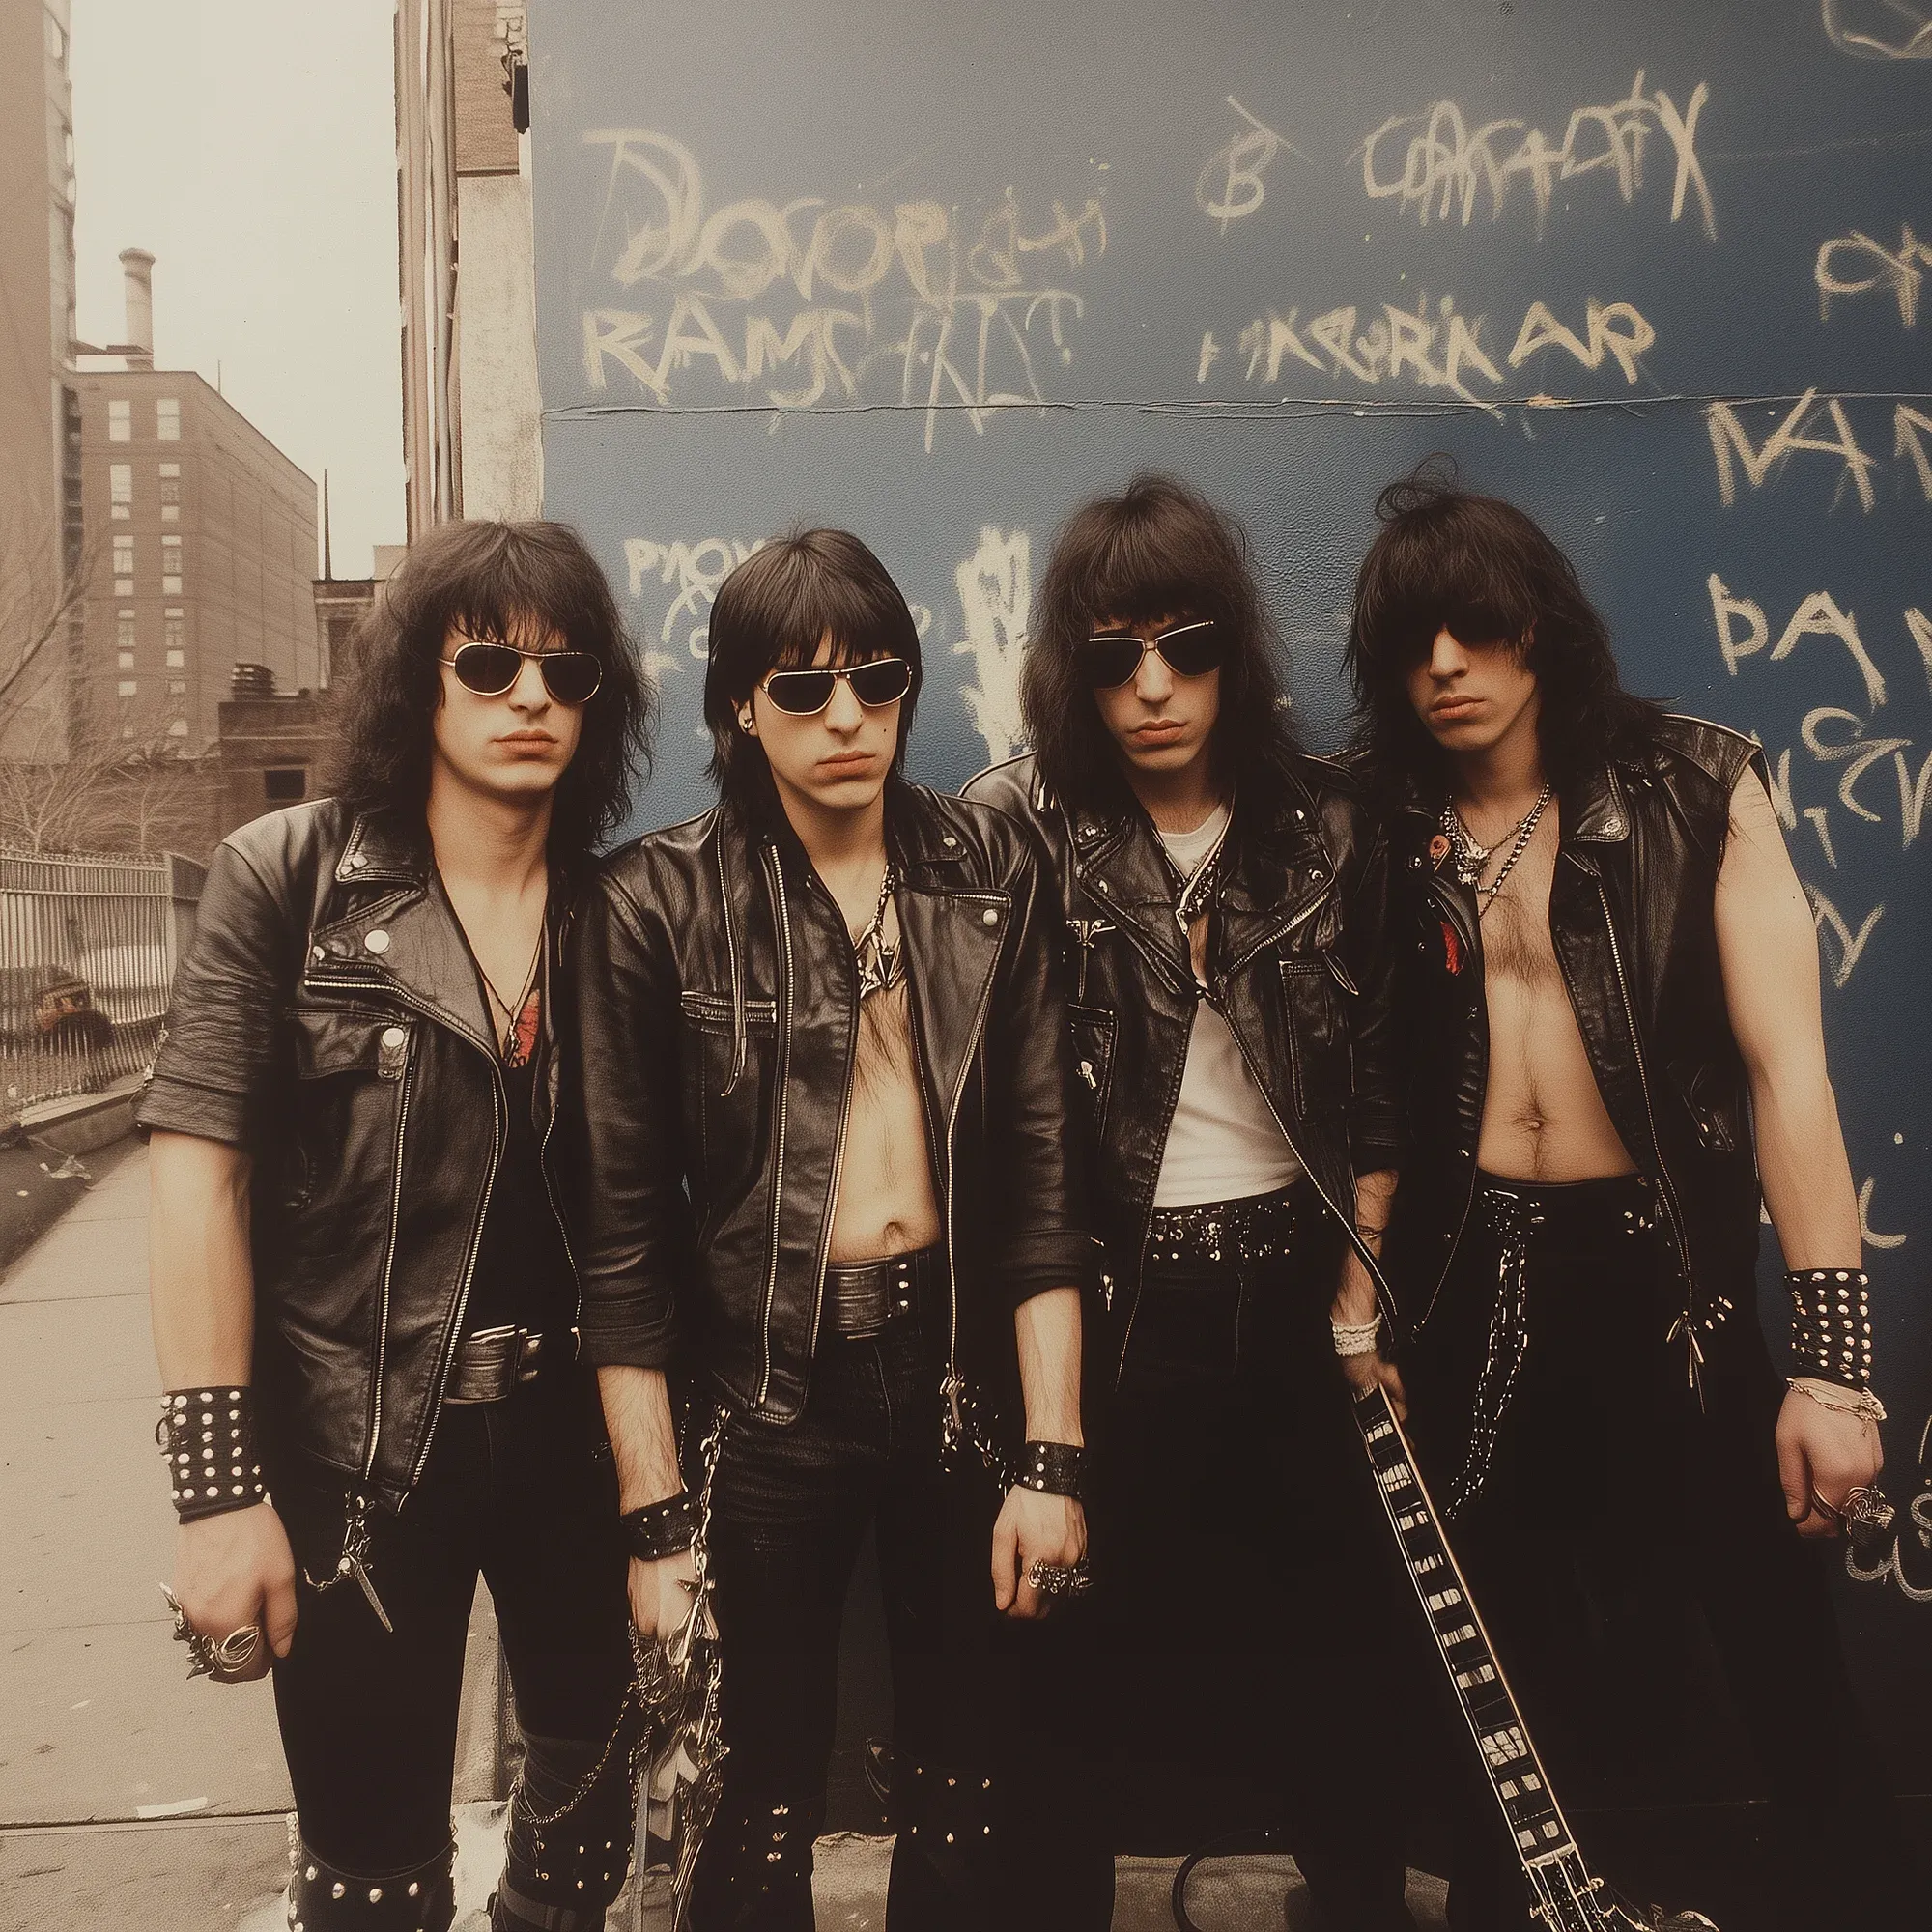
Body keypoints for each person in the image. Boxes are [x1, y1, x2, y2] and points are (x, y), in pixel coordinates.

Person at [1347, 461, 1911, 1930]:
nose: (1445, 670)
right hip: (1475, 1288)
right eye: (1413, 647)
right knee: (1499, 1691)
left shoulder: (1697, 787)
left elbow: (1794, 1080)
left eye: (1473, 632)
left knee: (1779, 1656)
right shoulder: (1378, 829)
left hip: (1673, 1288)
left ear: (1540, 628)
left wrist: (1840, 1372)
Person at [568, 527, 1091, 1930]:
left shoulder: (992, 866)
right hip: (760, 1401)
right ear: (739, 706)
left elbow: (1044, 1185)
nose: (846, 717)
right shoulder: (650, 904)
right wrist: (657, 1521)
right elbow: (617, 1243)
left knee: (971, 1780)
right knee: (759, 1797)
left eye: (877, 680)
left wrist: (1051, 1456)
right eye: (800, 691)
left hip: (957, 1382)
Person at [140, 520, 651, 1932]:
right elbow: (198, 1178)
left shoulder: (622, 913)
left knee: (581, 1848)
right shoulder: (289, 878)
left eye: (568, 669)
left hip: (576, 1454)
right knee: (372, 1878)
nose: (532, 697)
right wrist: (215, 1493)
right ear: (416, 687)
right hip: (356, 1465)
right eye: (489, 665)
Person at [966, 474, 1417, 1932]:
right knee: (1065, 1677)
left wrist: (1357, 1309)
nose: (1152, 688)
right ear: (1069, 673)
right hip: (1109, 1306)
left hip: (1293, 1292)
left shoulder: (1330, 825)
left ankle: (1345, 1899)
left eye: (1184, 646)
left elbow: (1390, 1085)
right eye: (1110, 658)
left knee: (1339, 1657)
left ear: (1234, 650)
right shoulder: (1018, 831)